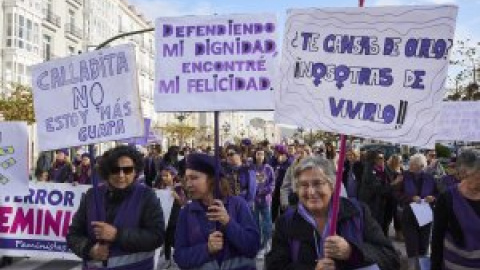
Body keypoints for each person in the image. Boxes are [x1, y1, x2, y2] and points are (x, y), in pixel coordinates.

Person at [265, 156, 400, 270]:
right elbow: (274, 266)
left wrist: (351, 252)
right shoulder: (286, 221)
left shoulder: (357, 212)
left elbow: (390, 258)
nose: (311, 192)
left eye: (318, 183)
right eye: (304, 185)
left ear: (332, 185)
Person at [66, 145, 165, 270]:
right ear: (107, 171)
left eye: (127, 170)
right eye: (115, 169)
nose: (121, 175)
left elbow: (157, 237)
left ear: (135, 172)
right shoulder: (92, 195)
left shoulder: (146, 196)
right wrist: (89, 249)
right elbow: (73, 235)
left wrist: (117, 235)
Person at [174, 153, 260, 269]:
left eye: (194, 178)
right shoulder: (186, 213)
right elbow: (180, 257)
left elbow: (252, 247)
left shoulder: (238, 205)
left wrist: (228, 223)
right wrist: (206, 249)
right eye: (187, 178)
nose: (188, 184)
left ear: (211, 179)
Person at [431, 149, 480, 269]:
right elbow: (437, 238)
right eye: (478, 176)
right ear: (465, 174)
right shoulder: (447, 198)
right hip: (456, 264)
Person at [394, 154, 438, 268]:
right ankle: (412, 267)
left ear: (422, 166)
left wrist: (432, 198)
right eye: (411, 163)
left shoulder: (430, 178)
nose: (410, 166)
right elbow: (397, 194)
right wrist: (410, 198)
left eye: (413, 164)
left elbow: (437, 194)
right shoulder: (404, 176)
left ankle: (423, 266)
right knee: (411, 243)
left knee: (424, 243)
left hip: (425, 214)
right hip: (409, 214)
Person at [154, 166, 186, 269]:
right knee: (166, 239)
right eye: (162, 175)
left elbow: (183, 203)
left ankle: (177, 260)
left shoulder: (179, 187)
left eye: (166, 175)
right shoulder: (160, 186)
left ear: (172, 175)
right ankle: (168, 260)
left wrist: (176, 197)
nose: (164, 178)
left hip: (175, 217)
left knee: (174, 239)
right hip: (163, 216)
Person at [358, 150, 395, 236]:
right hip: (372, 203)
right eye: (380, 158)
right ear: (373, 159)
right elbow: (378, 188)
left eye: (383, 158)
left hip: (384, 203)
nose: (382, 160)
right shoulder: (369, 170)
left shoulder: (384, 168)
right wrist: (393, 184)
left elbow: (392, 176)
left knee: (383, 226)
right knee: (373, 226)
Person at [252, 148, 275, 258]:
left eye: (262, 154)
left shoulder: (269, 168)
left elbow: (272, 184)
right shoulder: (252, 168)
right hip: (254, 200)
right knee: (255, 223)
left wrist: (263, 191)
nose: (260, 156)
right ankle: (257, 245)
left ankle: (267, 244)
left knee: (267, 223)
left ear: (264, 156)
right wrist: (254, 192)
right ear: (255, 155)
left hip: (266, 200)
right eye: (258, 154)